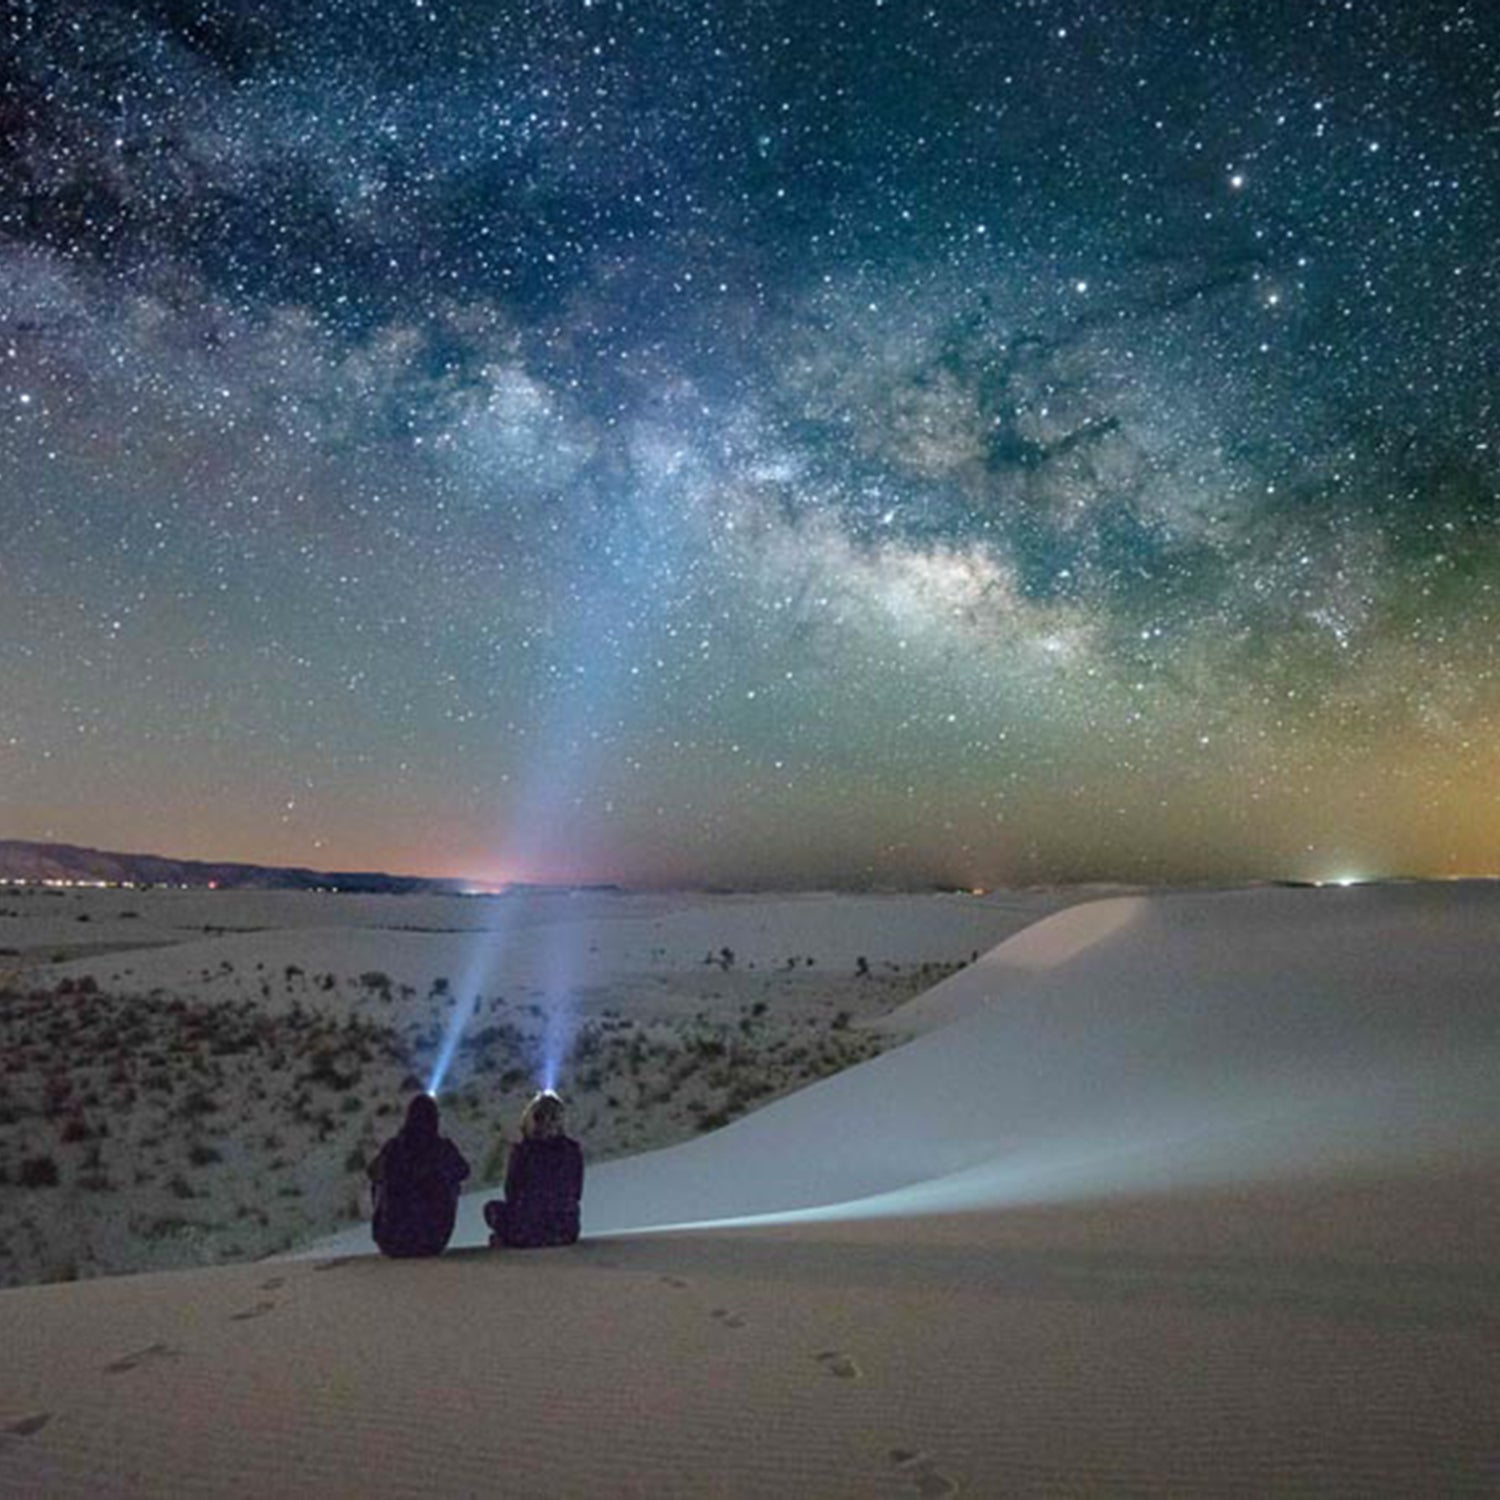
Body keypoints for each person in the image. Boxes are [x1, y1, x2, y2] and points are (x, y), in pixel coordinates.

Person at [368, 1092, 470, 1258]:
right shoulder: (442, 1149)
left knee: (380, 1177)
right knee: (451, 1178)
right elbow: (464, 1171)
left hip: (391, 1242)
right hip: (432, 1242)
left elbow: (372, 1172)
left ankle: (387, 1221)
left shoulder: (393, 1148)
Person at [483, 1090, 584, 1249]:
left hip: (528, 1228)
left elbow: (512, 1192)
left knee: (492, 1209)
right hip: (566, 1229)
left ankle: (510, 1237)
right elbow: (577, 1191)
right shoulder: (573, 1150)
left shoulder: (524, 1151)